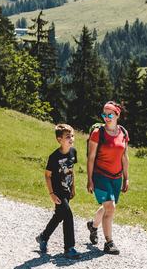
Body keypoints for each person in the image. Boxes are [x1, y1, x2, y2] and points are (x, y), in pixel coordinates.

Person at [86, 101, 129, 255]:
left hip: (116, 177)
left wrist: (126, 178)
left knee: (108, 208)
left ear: (117, 115)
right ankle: (109, 242)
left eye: (110, 114)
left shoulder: (123, 132)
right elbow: (91, 158)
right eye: (104, 114)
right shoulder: (98, 133)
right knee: (109, 207)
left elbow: (125, 156)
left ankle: (93, 226)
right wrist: (89, 179)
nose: (106, 117)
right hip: (100, 175)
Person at [36, 124, 81, 259]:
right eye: (68, 137)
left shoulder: (73, 152)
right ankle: (69, 248)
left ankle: (43, 237)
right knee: (68, 215)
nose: (71, 139)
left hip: (67, 189)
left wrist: (73, 188)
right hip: (57, 191)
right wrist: (52, 194)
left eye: (72, 136)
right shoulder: (54, 157)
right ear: (59, 139)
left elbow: (71, 170)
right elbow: (47, 175)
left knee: (59, 215)